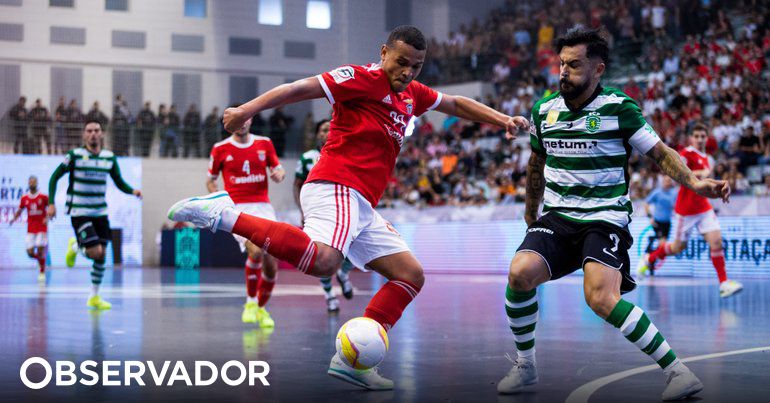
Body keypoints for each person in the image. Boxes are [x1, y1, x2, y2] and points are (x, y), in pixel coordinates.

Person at [167, 25, 528, 390]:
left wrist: (502, 120)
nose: (407, 72)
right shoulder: (360, 77)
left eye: (416, 67)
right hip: (335, 184)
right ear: (383, 51)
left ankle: (352, 361)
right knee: (326, 261)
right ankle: (221, 214)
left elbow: (452, 103)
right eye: (401, 62)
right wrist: (247, 109)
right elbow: (298, 89)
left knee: (409, 275)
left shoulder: (411, 94)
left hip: (363, 204)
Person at [496, 28, 728, 400]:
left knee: (601, 299)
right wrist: (530, 213)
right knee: (519, 275)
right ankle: (526, 366)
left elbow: (661, 153)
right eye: (561, 64)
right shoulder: (544, 110)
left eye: (574, 65)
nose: (563, 72)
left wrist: (695, 184)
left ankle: (677, 371)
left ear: (598, 69)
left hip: (605, 218)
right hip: (557, 217)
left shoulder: (619, 108)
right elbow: (536, 163)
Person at [637, 124, 743, 297]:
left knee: (716, 242)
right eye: (697, 136)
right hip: (685, 211)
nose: (700, 139)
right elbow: (678, 175)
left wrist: (719, 191)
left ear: (707, 138)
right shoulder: (686, 154)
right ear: (691, 138)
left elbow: (707, 184)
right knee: (678, 247)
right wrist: (701, 173)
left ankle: (724, 283)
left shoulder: (709, 158)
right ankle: (649, 258)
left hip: (704, 208)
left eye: (703, 136)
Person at [47, 119, 142, 310]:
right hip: (79, 211)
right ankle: (74, 247)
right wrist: (51, 203)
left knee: (102, 256)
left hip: (100, 212)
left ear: (101, 134)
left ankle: (94, 297)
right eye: (89, 130)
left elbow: (119, 182)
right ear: (84, 135)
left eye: (96, 130)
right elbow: (54, 177)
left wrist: (133, 191)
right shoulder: (75, 156)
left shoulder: (109, 158)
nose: (92, 134)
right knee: (95, 251)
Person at [206, 117, 285, 327]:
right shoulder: (220, 148)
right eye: (238, 120)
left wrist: (279, 174)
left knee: (271, 265)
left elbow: (279, 168)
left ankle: (261, 309)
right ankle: (250, 302)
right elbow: (211, 180)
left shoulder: (264, 143)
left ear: (250, 121)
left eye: (245, 119)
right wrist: (218, 197)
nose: (242, 124)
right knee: (256, 250)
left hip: (264, 208)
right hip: (238, 208)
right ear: (231, 124)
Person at [294, 119, 355, 312]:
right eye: (322, 130)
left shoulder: (346, 151)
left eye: (329, 129)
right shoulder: (307, 158)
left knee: (354, 252)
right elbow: (297, 185)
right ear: (317, 135)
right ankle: (330, 296)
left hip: (343, 207)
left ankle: (344, 275)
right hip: (318, 211)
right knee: (322, 255)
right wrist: (303, 211)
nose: (326, 132)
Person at [9, 176, 49, 281]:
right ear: (28, 183)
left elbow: (50, 208)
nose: (32, 184)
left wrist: (47, 218)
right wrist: (13, 219)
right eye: (30, 182)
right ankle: (41, 261)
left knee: (40, 249)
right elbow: (20, 210)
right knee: (30, 252)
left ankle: (42, 271)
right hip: (31, 228)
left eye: (34, 182)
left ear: (37, 183)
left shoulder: (43, 197)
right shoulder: (24, 198)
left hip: (41, 228)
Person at [637, 176, 678, 276]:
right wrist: (650, 216)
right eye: (665, 181)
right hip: (657, 222)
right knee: (662, 245)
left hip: (667, 223)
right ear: (662, 182)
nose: (667, 182)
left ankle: (648, 257)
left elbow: (676, 206)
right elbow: (646, 203)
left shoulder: (674, 193)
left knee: (662, 247)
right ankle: (647, 260)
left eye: (669, 181)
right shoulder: (657, 192)